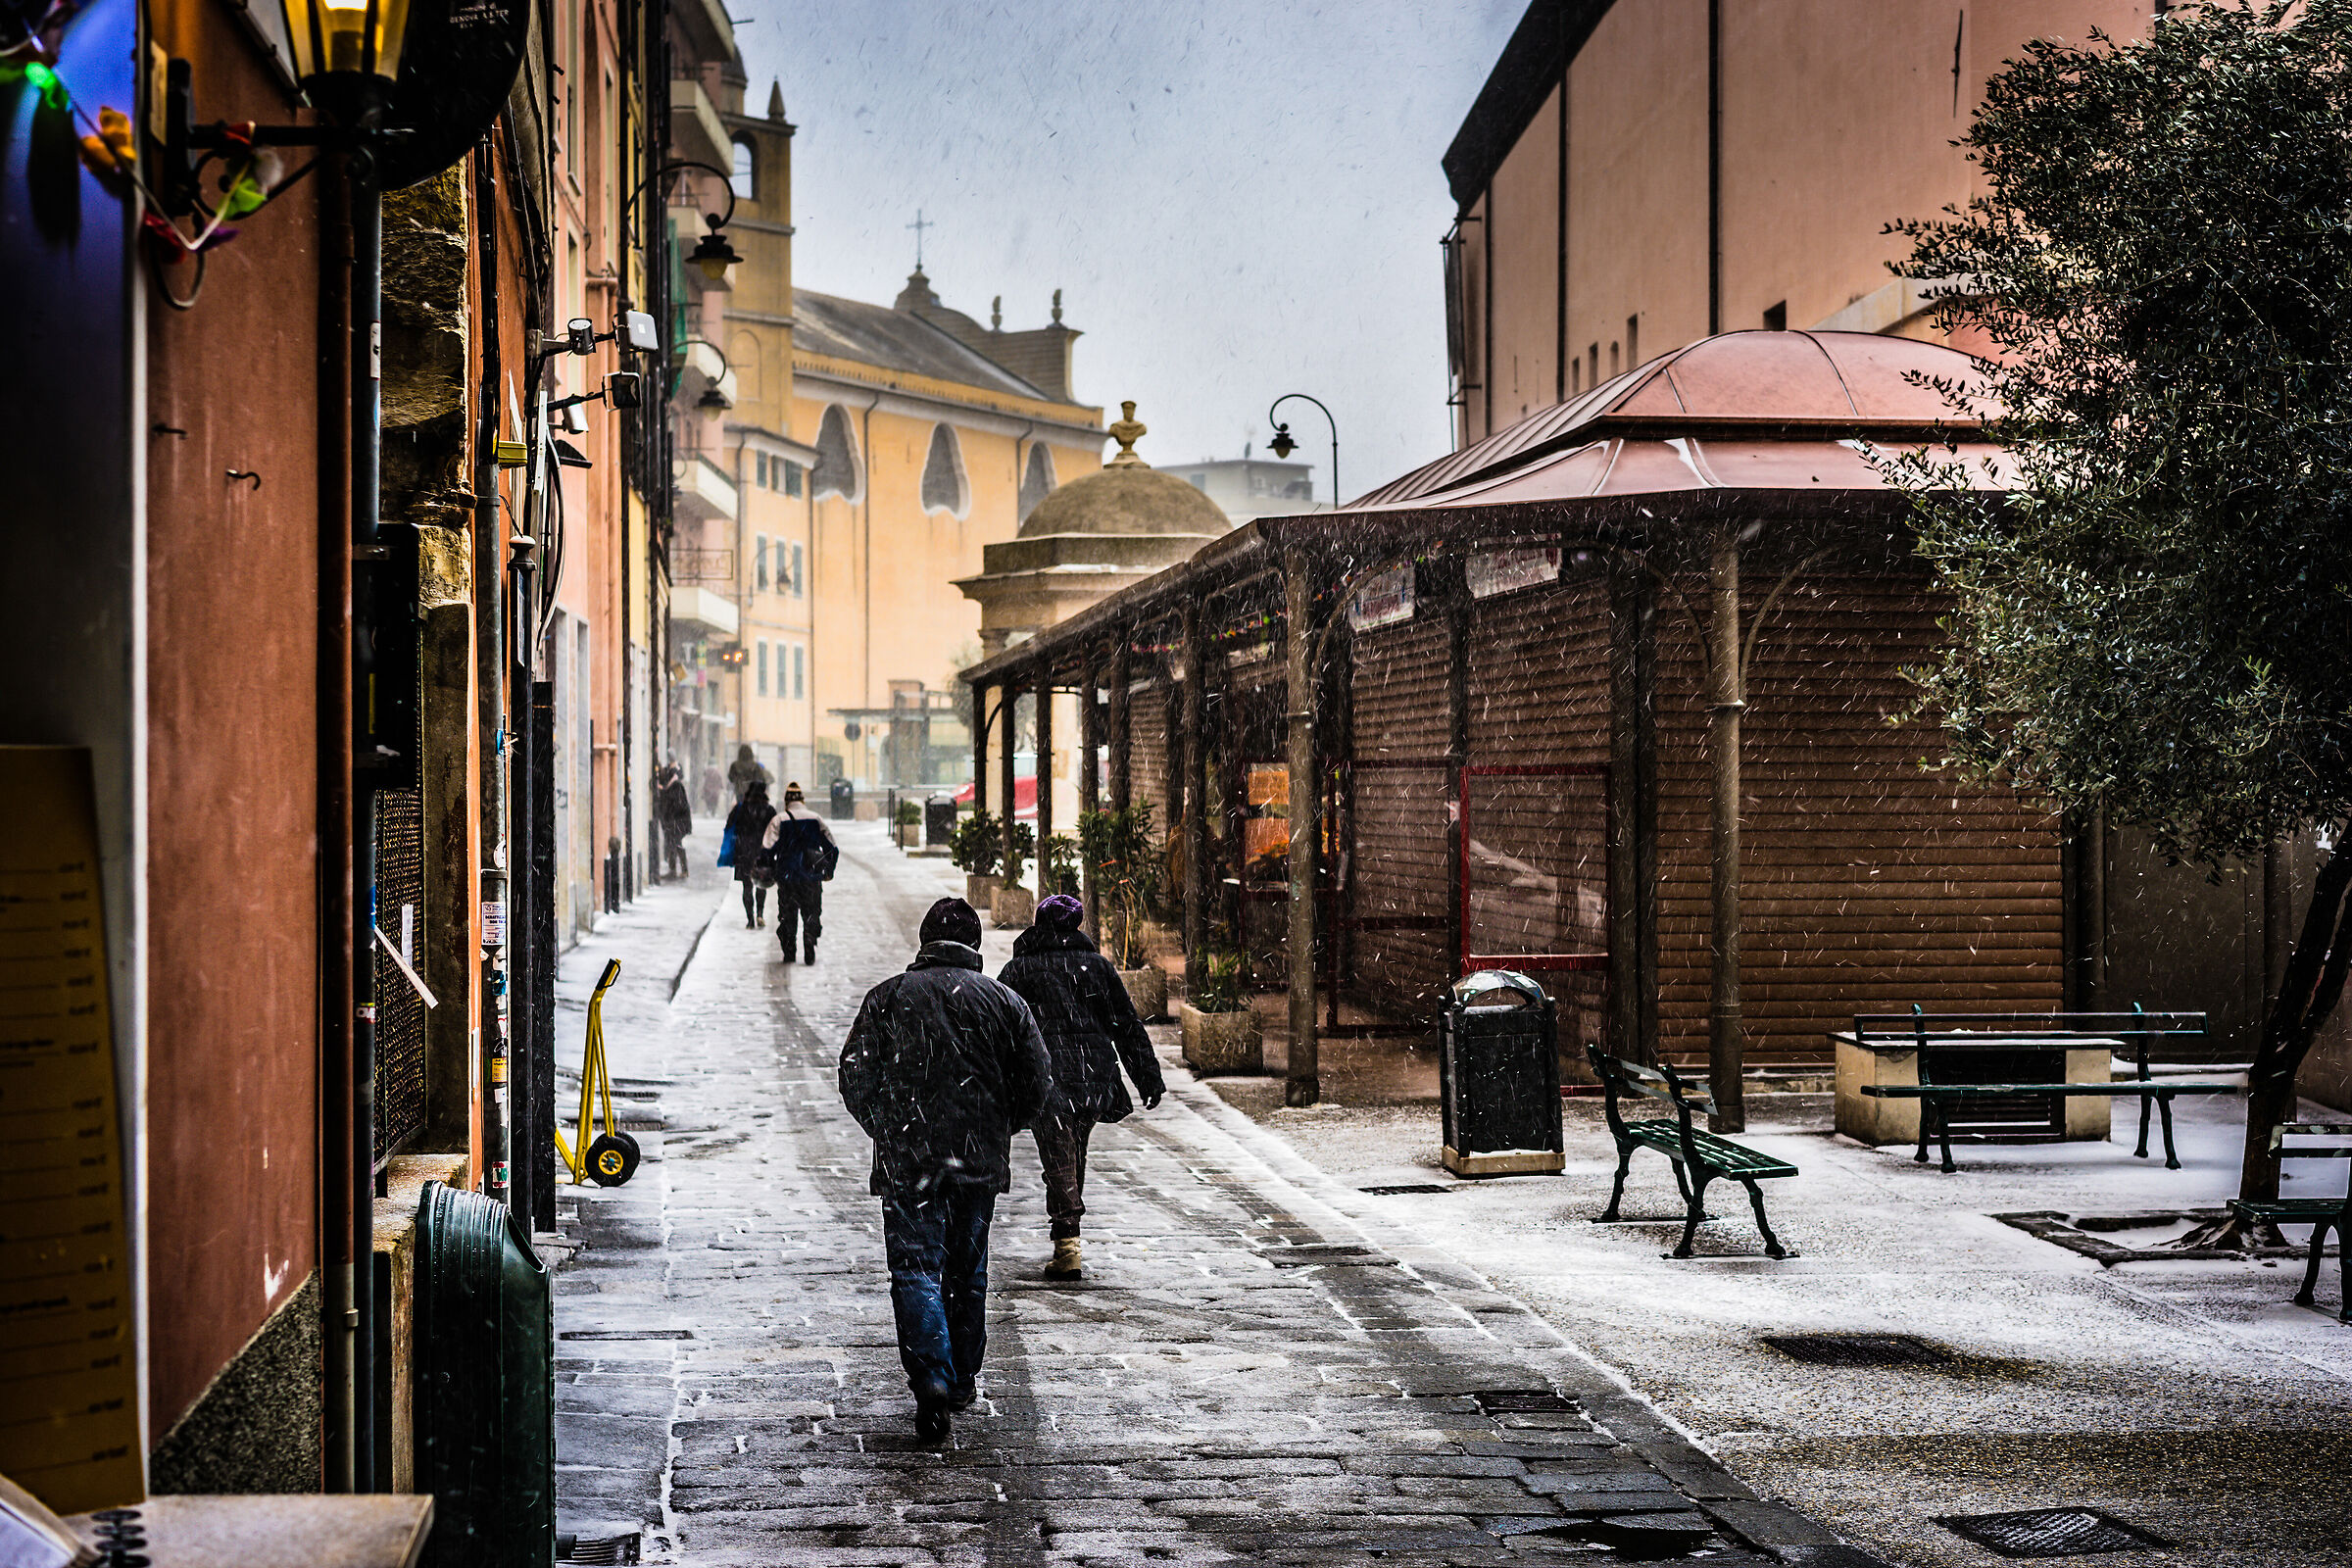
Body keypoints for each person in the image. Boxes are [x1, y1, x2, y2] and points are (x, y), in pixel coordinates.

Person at [839, 898, 1053, 1444]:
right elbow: (1037, 1081)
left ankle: (931, 1374)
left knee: (915, 1267)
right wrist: (1000, 1127)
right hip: (978, 1161)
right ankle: (959, 1379)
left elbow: (854, 1074)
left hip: (908, 1160)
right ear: (974, 945)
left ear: (924, 942)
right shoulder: (1004, 1002)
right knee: (967, 1270)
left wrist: (888, 1127)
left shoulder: (888, 998)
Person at [995, 893, 1163, 1281]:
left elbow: (1000, 1031)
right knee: (1071, 1155)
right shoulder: (1097, 967)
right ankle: (1067, 1235)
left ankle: (1067, 1244)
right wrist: (1147, 1077)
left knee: (1060, 1158)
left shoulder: (1020, 970)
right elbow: (1126, 1025)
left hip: (1045, 1080)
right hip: (1092, 1077)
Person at [760, 782, 837, 963]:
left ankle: (789, 951)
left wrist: (771, 869)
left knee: (788, 916)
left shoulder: (778, 820)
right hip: (811, 877)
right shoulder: (816, 819)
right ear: (802, 800)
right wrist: (828, 870)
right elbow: (832, 848)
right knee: (811, 913)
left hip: (787, 878)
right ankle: (809, 943)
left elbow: (767, 850)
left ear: (787, 801)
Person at [724, 781, 775, 928]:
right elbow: (775, 830)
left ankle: (750, 919)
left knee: (747, 886)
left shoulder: (740, 809)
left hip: (743, 852)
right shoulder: (769, 810)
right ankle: (760, 914)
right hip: (762, 852)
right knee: (761, 883)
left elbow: (729, 827)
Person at [655, 760, 693, 881]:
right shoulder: (672, 786)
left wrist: (664, 791)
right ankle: (675, 870)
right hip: (675, 821)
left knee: (675, 844)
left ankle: (681, 870)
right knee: (673, 844)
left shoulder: (675, 786)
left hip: (678, 821)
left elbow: (678, 805)